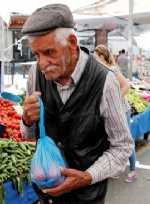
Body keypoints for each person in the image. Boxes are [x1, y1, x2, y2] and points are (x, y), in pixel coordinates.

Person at [20, 4, 134, 203]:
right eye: (36, 55)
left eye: (48, 52)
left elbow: (122, 147)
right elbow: (29, 135)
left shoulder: (104, 81)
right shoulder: (35, 74)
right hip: (47, 196)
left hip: (87, 197)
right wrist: (27, 120)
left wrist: (86, 177)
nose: (42, 64)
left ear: (72, 43)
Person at [94, 45, 138, 183]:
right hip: (109, 111)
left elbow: (126, 86)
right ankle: (116, 168)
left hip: (121, 110)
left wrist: (115, 101)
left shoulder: (112, 70)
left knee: (125, 139)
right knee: (112, 139)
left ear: (101, 56)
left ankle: (133, 170)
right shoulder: (100, 71)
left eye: (95, 56)